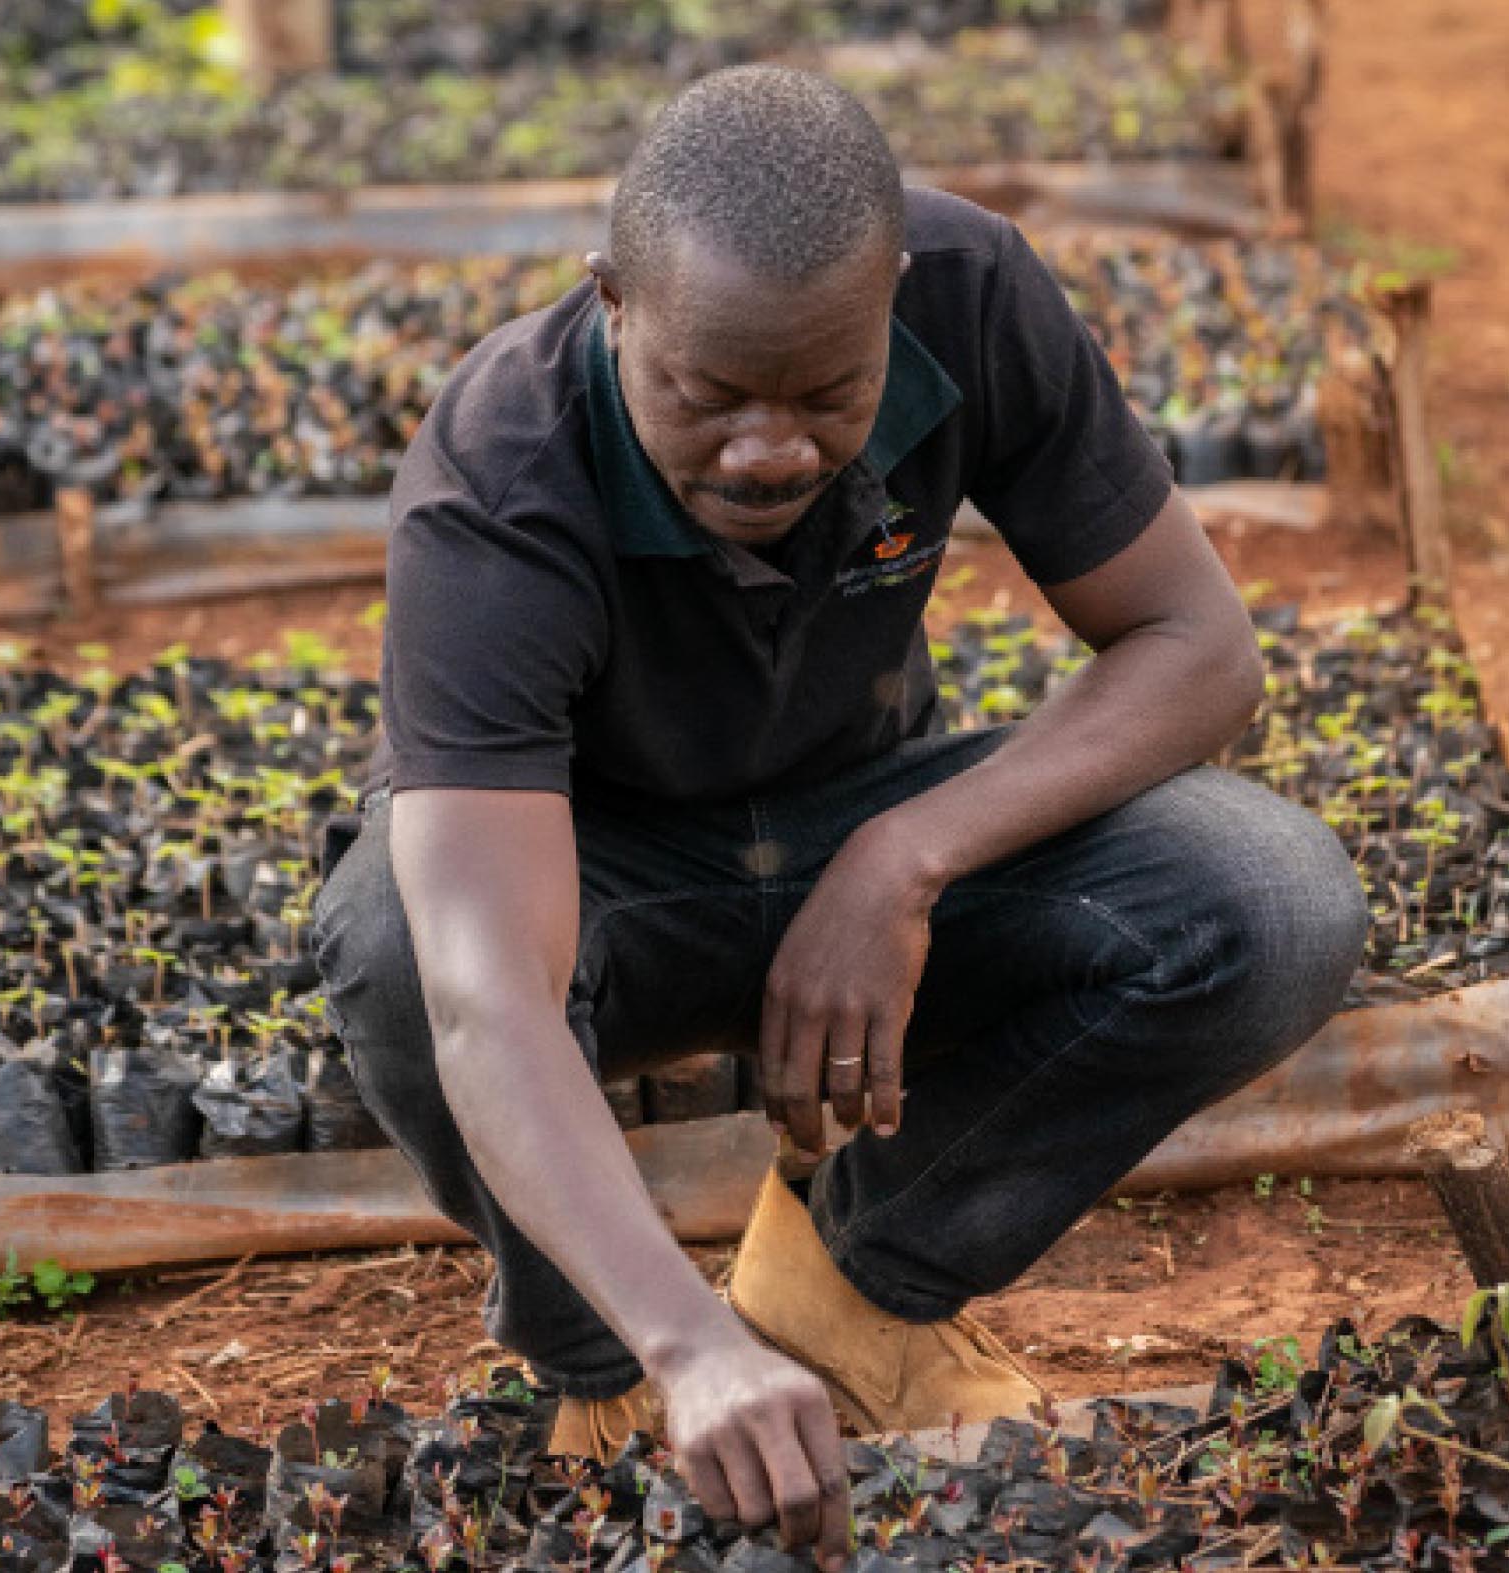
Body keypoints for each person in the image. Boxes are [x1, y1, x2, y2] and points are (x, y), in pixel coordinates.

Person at [311, 64, 1368, 1569]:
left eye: (827, 395)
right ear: (613, 301)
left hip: (864, 802)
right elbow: (491, 1000)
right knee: (403, 945)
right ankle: (603, 1371)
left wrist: (904, 854)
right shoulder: (499, 475)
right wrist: (683, 1344)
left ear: (894, 303)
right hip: (606, 877)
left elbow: (1198, 647)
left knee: (1268, 901)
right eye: (709, 395)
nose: (771, 450)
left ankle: (850, 1290)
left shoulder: (972, 292)